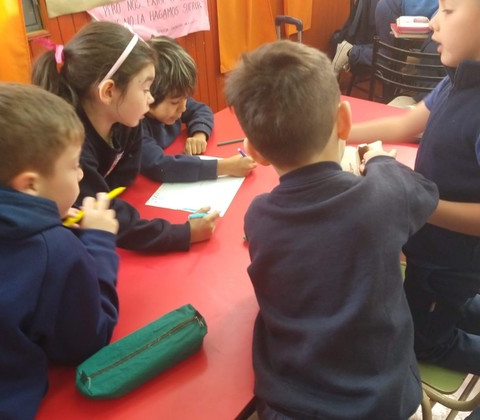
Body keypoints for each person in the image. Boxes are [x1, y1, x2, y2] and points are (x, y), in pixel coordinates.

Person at [225, 40, 439, 419]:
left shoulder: (258, 215)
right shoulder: (382, 197)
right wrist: (378, 160)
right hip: (382, 404)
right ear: (344, 121)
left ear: (254, 151)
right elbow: (426, 194)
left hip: (289, 406)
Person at [349, 0, 480, 387]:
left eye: (446, 10)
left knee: (427, 340)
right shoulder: (468, 74)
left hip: (450, 260)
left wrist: (414, 200)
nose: (432, 22)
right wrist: (334, 132)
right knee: (451, 303)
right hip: (437, 252)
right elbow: (409, 122)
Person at [0, 81, 120, 418]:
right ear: (30, 184)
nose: (81, 173)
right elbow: (89, 340)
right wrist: (100, 240)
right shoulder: (53, 250)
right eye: (74, 165)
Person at [32, 21, 218, 253]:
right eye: (146, 89)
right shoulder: (72, 149)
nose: (151, 98)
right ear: (109, 91)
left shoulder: (125, 122)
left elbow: (122, 181)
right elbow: (110, 214)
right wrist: (184, 233)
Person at [140, 35, 255, 182]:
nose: (183, 107)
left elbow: (201, 109)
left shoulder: (173, 100)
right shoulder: (135, 127)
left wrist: (199, 134)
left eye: (185, 98)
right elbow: (161, 167)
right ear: (148, 96)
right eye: (175, 102)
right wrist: (225, 167)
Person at [332, 0, 439, 76]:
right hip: (391, 9)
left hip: (396, 9)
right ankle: (351, 52)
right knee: (387, 59)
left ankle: (353, 51)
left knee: (392, 57)